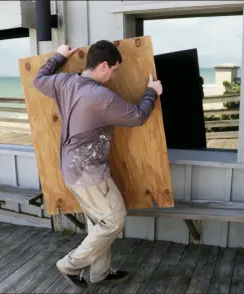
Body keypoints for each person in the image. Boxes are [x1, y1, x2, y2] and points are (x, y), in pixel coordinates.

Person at [32, 40, 163, 290]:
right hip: (89, 172)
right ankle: (70, 264)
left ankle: (100, 273)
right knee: (114, 220)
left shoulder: (64, 82)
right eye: (114, 70)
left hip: (71, 168)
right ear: (103, 66)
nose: (114, 75)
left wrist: (58, 56)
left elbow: (38, 79)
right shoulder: (101, 97)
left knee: (98, 222)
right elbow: (138, 116)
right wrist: (151, 92)